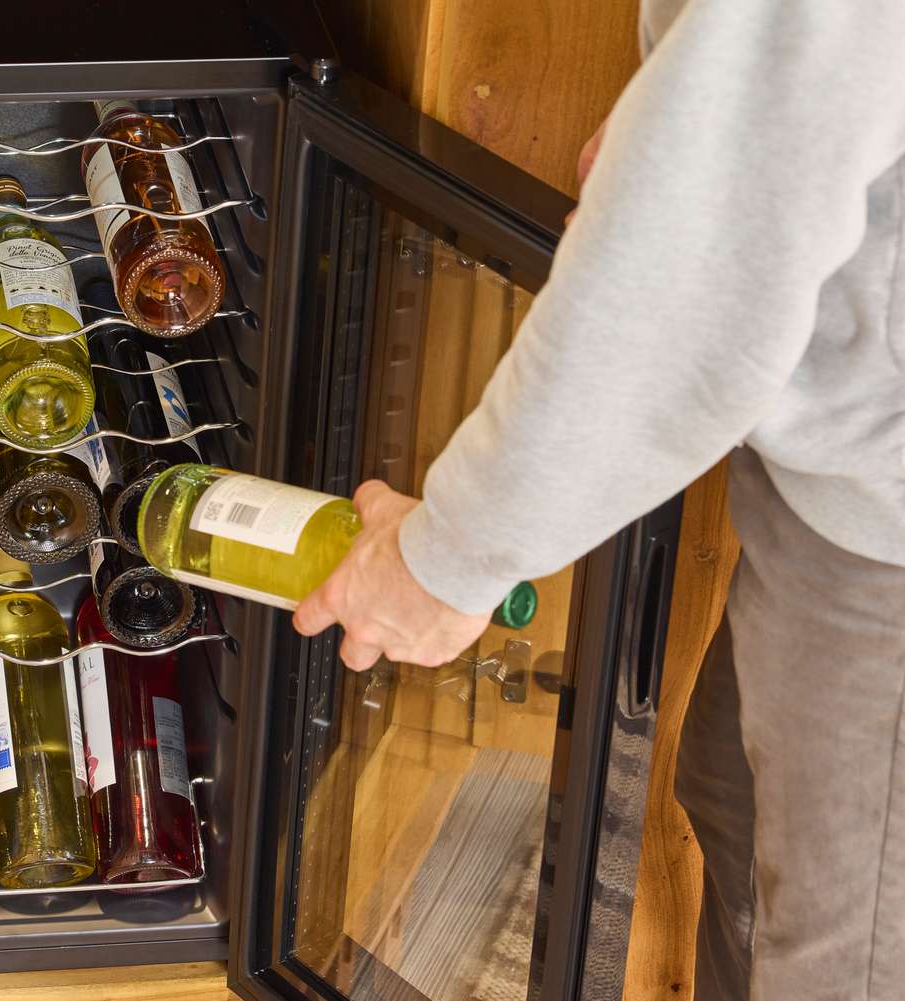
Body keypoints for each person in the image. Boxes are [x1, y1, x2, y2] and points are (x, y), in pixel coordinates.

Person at [291, 0, 905, 998]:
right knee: (736, 812)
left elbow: (689, 291)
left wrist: (445, 560)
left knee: (844, 960)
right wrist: (681, 113)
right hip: (844, 462)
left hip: (886, 538)